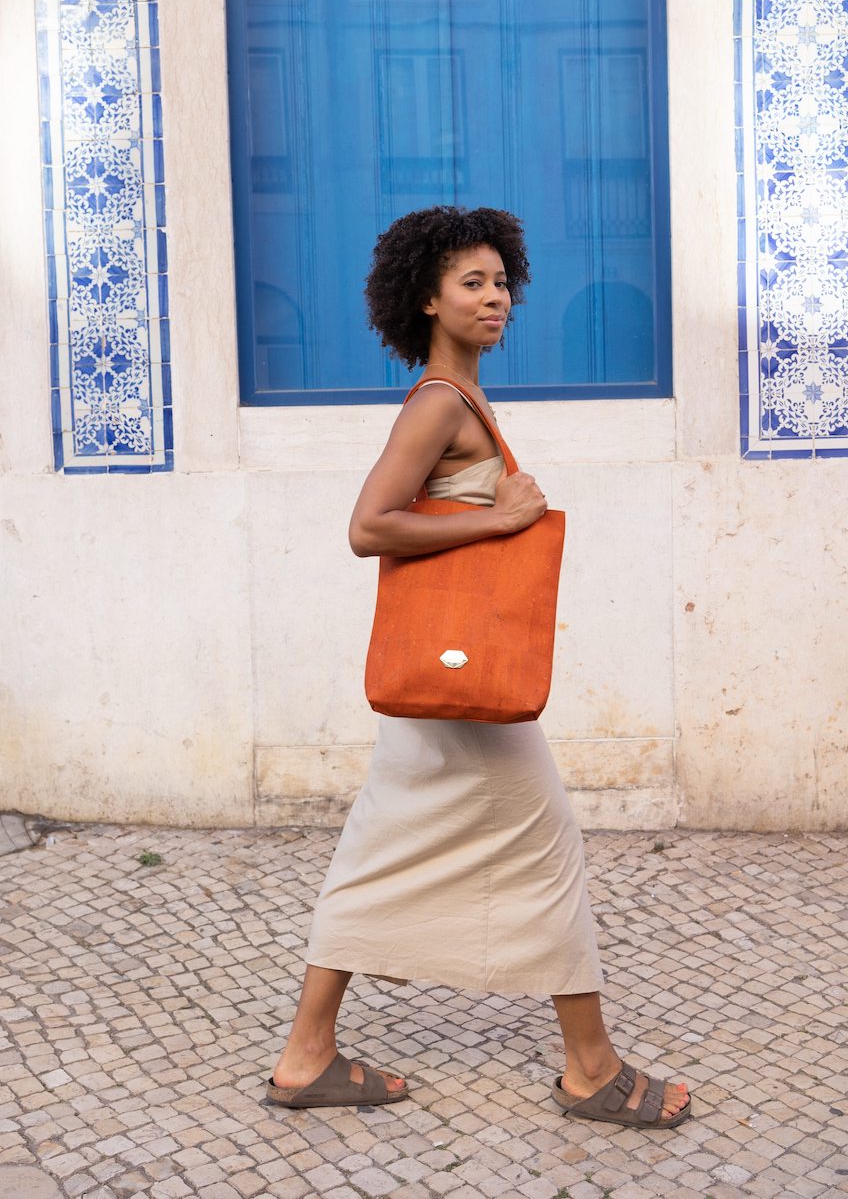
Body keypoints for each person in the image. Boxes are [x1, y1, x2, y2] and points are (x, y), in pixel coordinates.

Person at [266, 207, 691, 1128]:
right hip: (461, 698)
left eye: (502, 282)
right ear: (427, 298)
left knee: (380, 854)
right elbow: (367, 526)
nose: (495, 297)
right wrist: (500, 521)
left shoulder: (460, 400)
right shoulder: (437, 404)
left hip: (442, 695)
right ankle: (593, 1070)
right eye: (472, 282)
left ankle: (307, 1056)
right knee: (547, 853)